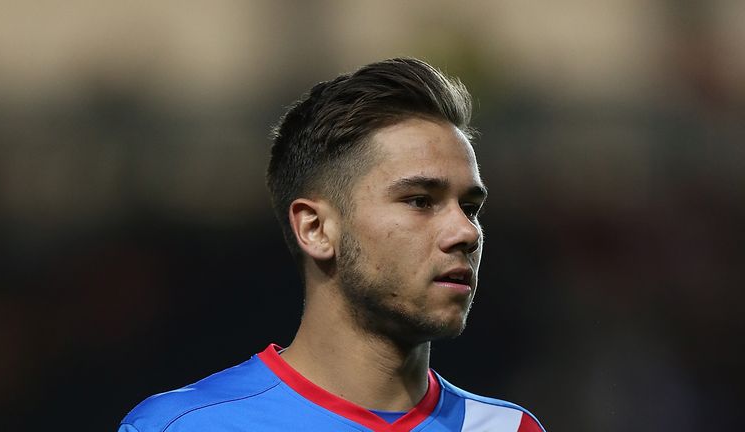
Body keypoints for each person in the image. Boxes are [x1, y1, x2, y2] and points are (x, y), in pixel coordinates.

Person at [119, 58, 545, 432]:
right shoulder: (185, 427)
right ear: (316, 228)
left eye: (470, 208)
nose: (466, 232)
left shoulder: (509, 429)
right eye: (420, 201)